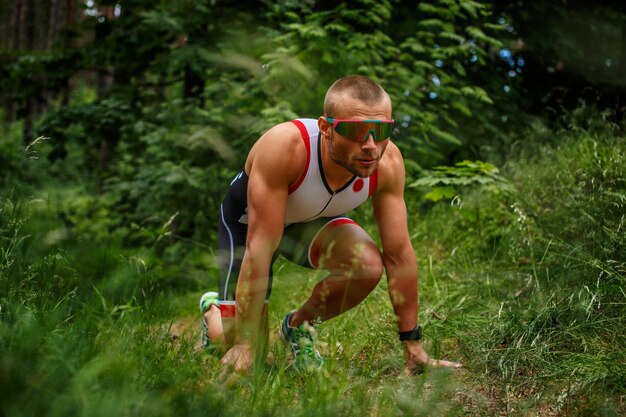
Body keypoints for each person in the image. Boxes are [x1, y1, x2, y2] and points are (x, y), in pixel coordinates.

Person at [200, 75, 461, 374]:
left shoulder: (388, 164)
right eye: (355, 131)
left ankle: (298, 326)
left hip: (308, 220)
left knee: (367, 265)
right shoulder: (285, 146)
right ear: (326, 128)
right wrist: (245, 346)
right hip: (249, 227)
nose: (371, 146)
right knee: (236, 346)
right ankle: (214, 310)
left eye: (382, 130)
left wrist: (413, 345)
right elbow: (260, 250)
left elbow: (399, 255)